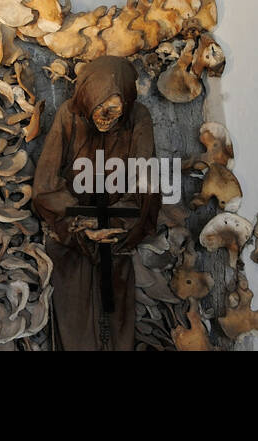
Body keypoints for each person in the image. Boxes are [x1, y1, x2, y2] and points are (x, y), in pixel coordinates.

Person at [32, 56, 161, 350]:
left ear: (127, 103)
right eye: (101, 108)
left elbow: (145, 184)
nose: (106, 116)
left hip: (115, 238)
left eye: (115, 110)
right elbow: (46, 184)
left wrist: (115, 225)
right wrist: (79, 225)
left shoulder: (138, 118)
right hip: (71, 239)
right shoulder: (69, 115)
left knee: (114, 325)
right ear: (87, 98)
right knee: (74, 324)